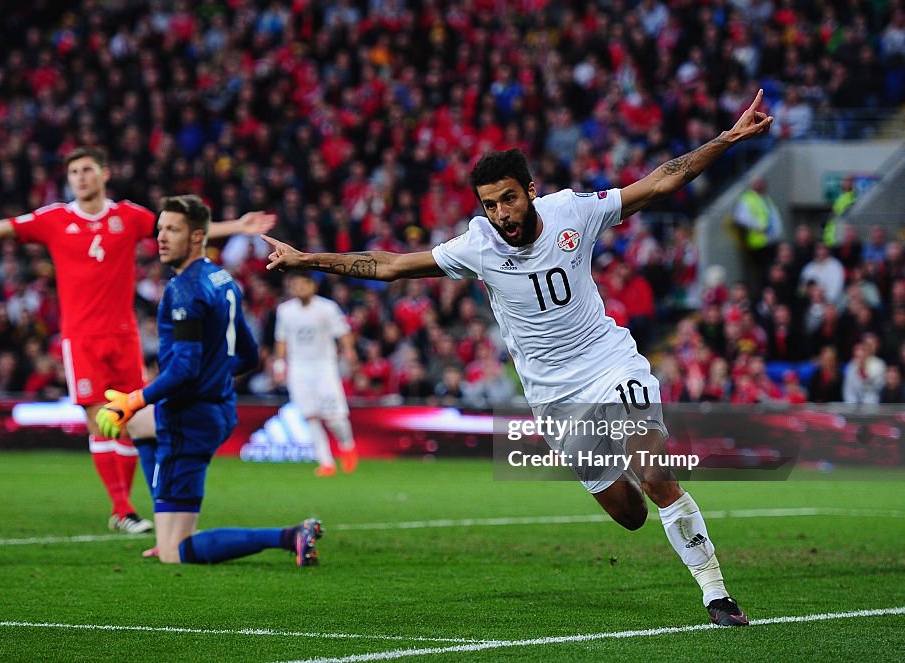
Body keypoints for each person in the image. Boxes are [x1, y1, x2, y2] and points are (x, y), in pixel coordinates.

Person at [262, 90, 775, 626]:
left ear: (530, 191)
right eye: (489, 204)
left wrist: (727, 138)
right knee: (629, 514)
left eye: (509, 199)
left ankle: (716, 594)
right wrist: (308, 259)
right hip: (552, 395)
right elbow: (390, 265)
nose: (501, 213)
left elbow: (661, 180)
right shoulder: (476, 246)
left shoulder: (573, 211)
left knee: (654, 470)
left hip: (608, 363)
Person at [0, 147, 275, 534]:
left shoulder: (127, 216)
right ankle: (122, 508)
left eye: (87, 169)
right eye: (73, 171)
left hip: (124, 336)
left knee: (129, 420)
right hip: (81, 339)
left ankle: (135, 508)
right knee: (99, 422)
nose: (79, 177)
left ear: (104, 173)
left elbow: (182, 230)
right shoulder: (54, 219)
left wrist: (236, 227)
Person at [95, 194, 322, 565]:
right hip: (217, 407)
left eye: (173, 229)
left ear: (197, 236)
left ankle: (288, 536)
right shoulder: (223, 280)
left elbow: (184, 370)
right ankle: (166, 526)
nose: (162, 238)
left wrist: (132, 400)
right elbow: (247, 355)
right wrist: (211, 375)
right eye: (160, 229)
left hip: (187, 418)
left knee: (174, 553)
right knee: (139, 427)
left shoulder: (185, 289)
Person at [274, 273, 360, 477]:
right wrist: (279, 363)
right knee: (310, 417)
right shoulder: (285, 311)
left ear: (312, 286)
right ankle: (326, 462)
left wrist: (349, 351)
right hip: (299, 368)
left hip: (324, 367)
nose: (299, 288)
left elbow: (342, 332)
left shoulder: (327, 308)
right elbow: (281, 338)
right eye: (295, 284)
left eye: (303, 284)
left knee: (334, 417)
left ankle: (347, 445)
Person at [733, 176, 783, 295]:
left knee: (770, 271)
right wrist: (758, 226)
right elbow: (740, 217)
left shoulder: (765, 198)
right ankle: (762, 294)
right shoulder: (747, 198)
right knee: (762, 273)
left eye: (762, 183)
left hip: (769, 241)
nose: (760, 185)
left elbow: (773, 218)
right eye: (758, 183)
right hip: (758, 242)